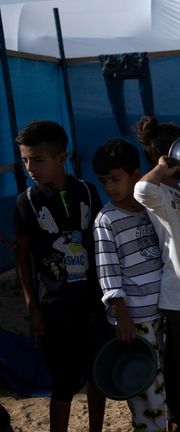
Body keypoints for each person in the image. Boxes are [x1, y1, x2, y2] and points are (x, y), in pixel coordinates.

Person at [14, 120, 111, 432]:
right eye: (25, 159)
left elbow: (100, 245)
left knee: (98, 374)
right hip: (54, 309)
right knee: (63, 382)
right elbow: (22, 257)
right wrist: (32, 306)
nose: (30, 167)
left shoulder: (87, 191)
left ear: (61, 157)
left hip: (93, 304)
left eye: (37, 159)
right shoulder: (26, 202)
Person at [133, 116, 180, 432]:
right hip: (179, 297)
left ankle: (175, 417)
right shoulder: (160, 192)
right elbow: (142, 190)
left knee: (179, 366)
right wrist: (162, 168)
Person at [92, 139, 166, 432]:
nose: (110, 187)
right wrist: (121, 313)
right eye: (104, 181)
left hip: (163, 309)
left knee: (164, 379)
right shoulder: (106, 219)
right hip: (134, 318)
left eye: (115, 178)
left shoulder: (152, 206)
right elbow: (107, 269)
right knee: (144, 385)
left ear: (136, 176)